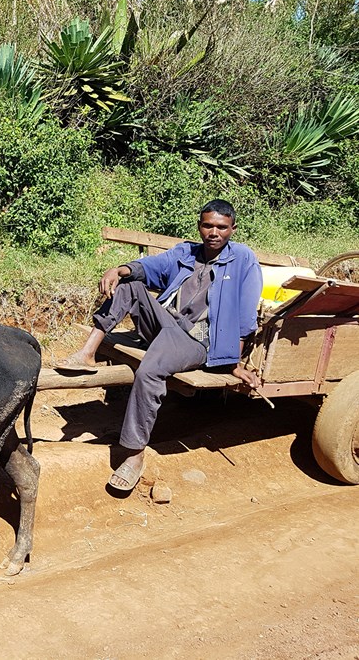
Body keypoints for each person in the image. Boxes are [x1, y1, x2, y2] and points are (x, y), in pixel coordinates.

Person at [57, 199, 263, 491]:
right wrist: (121, 269)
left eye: (221, 227)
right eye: (207, 225)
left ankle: (133, 454)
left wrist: (234, 361)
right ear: (199, 226)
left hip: (198, 340)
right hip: (168, 324)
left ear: (232, 229)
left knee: (149, 371)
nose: (213, 233)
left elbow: (245, 315)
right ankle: (87, 352)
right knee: (131, 284)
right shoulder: (186, 251)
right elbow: (153, 266)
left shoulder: (242, 259)